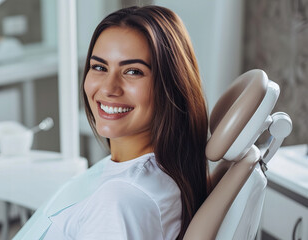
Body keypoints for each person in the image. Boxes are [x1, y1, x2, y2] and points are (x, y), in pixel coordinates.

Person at [13, 5, 208, 240]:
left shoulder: (119, 200)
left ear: (171, 86)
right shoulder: (142, 170)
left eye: (133, 71)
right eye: (99, 67)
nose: (108, 88)